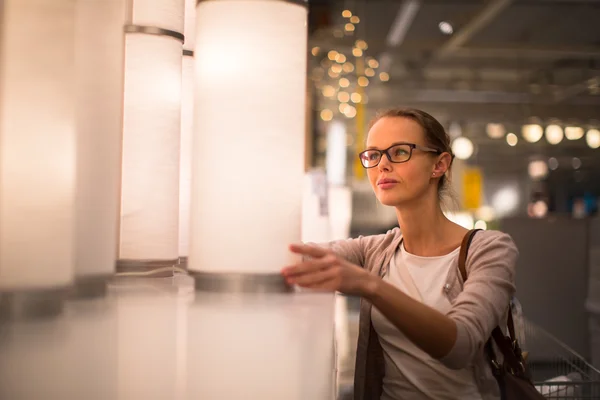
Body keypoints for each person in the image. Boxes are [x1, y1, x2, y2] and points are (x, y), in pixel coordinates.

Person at [281, 108, 518, 400]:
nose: (382, 165)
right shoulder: (375, 250)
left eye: (400, 152)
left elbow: (460, 345)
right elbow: (296, 259)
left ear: (439, 164)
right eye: (373, 155)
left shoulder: (489, 250)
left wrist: (370, 285)